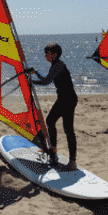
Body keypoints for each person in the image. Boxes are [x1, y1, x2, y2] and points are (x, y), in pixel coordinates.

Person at [28, 43, 78, 171]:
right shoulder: (55, 65)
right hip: (64, 99)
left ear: (54, 54)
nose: (45, 55)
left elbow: (46, 81)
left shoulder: (58, 66)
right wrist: (35, 74)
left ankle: (71, 161)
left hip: (68, 100)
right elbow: (47, 79)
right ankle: (53, 151)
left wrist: (32, 79)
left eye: (47, 53)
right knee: (51, 121)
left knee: (67, 129)